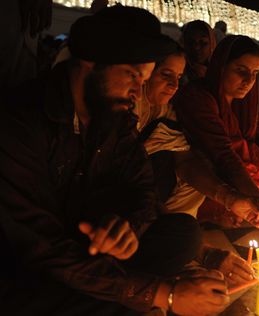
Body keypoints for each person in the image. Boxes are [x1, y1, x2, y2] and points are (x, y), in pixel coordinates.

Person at [0, 6, 229, 315]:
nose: (138, 91)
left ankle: (114, 291)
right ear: (90, 62)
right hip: (35, 264)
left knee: (183, 234)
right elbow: (41, 246)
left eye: (145, 78)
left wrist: (127, 229)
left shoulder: (115, 118)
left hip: (91, 249)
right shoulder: (23, 123)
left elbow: (143, 190)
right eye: (132, 76)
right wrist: (165, 295)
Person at [135, 35, 257, 287]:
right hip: (129, 208)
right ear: (143, 73)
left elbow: (185, 160)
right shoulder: (194, 98)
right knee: (185, 236)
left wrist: (229, 198)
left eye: (179, 78)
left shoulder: (163, 110)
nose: (174, 85)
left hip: (155, 194)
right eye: (165, 74)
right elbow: (220, 152)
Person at [174, 35, 259, 244]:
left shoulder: (245, 103)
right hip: (210, 176)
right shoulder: (199, 98)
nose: (249, 81)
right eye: (241, 71)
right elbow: (222, 155)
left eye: (255, 73)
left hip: (238, 174)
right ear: (221, 67)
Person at [181, 20, 216, 84]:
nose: (196, 47)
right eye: (191, 42)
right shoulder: (178, 72)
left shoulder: (220, 73)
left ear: (212, 44)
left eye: (203, 43)